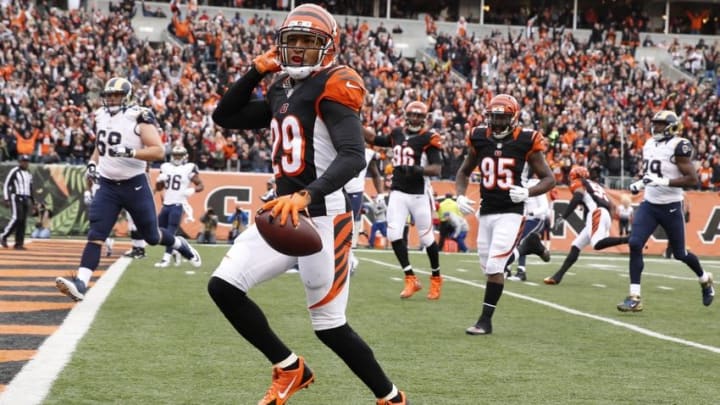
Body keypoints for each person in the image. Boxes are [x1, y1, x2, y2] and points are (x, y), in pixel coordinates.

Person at [208, 5, 408, 405]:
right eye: (292, 41)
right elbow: (225, 117)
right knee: (223, 287)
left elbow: (353, 155)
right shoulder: (281, 86)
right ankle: (289, 367)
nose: (298, 50)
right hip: (284, 211)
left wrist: (307, 194)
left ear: (329, 47)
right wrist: (255, 71)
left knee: (330, 327)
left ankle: (390, 397)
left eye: (308, 42)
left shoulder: (336, 82)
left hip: (324, 215)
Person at [55, 77, 201, 302]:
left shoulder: (139, 116)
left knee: (152, 236)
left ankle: (179, 243)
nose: (112, 99)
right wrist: (93, 163)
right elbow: (100, 146)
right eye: (109, 95)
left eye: (117, 95)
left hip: (135, 184)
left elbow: (158, 151)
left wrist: (130, 152)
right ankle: (81, 283)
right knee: (96, 234)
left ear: (127, 96)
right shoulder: (101, 115)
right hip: (108, 185)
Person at [455, 94, 555, 335]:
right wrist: (459, 194)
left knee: (494, 266)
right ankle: (527, 246)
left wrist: (527, 192)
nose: (497, 122)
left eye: (502, 118)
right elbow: (463, 171)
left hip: (512, 211)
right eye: (494, 117)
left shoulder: (526, 140)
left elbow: (550, 179)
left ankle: (485, 321)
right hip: (487, 210)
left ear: (513, 118)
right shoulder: (479, 137)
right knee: (489, 267)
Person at [619, 110, 713, 312]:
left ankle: (705, 279)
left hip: (671, 205)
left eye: (661, 124)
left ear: (671, 126)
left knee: (680, 253)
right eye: (656, 124)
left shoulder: (679, 145)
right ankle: (634, 296)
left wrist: (663, 181)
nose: (656, 127)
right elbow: (650, 173)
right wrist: (640, 183)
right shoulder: (649, 144)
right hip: (650, 203)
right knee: (635, 243)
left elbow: (692, 179)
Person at [364, 100, 444, 300]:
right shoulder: (397, 133)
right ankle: (410, 278)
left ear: (424, 118)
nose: (415, 118)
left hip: (419, 193)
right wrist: (351, 119)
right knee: (393, 234)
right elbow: (374, 138)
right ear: (406, 115)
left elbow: (437, 168)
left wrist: (417, 170)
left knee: (426, 239)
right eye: (413, 115)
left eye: (419, 116)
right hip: (399, 191)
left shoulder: (428, 138)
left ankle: (436, 278)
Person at [543, 166, 630, 285]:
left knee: (597, 244)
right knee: (576, 245)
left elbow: (577, 197)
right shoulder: (596, 185)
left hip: (596, 213)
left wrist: (564, 216)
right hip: (601, 214)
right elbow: (613, 206)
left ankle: (629, 239)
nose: (570, 178)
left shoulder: (579, 183)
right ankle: (557, 277)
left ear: (576, 175)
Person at [154, 145, 204, 267]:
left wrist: (192, 190)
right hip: (166, 204)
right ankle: (179, 247)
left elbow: (201, 185)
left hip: (178, 204)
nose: (177, 157)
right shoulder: (165, 167)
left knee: (170, 232)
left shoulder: (188, 168)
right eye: (175, 155)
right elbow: (160, 188)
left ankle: (166, 259)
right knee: (156, 233)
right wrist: (159, 181)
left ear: (184, 156)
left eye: (179, 155)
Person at [343, 137, 383, 272]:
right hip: (338, 190)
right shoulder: (341, 147)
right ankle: (345, 259)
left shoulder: (368, 153)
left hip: (355, 192)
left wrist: (381, 194)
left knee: (348, 226)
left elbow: (376, 174)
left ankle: (350, 259)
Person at [508, 176, 551, 281]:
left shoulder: (535, 184)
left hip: (536, 219)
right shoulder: (520, 183)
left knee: (522, 241)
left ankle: (521, 271)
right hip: (524, 220)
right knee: (511, 241)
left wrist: (532, 212)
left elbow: (545, 206)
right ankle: (507, 268)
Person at [2, 154, 34, 249]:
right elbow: (7, 184)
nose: (25, 163)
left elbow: (30, 188)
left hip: (25, 198)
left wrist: (33, 202)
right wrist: (6, 198)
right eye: (23, 161)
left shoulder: (29, 173)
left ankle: (19, 243)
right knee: (17, 218)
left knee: (23, 221)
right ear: (19, 162)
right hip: (16, 196)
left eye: (26, 161)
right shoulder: (15, 171)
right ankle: (3, 236)